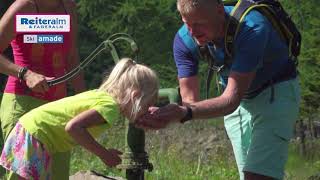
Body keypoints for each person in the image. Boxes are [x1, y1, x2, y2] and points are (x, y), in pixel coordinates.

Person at [137, 0, 300, 180]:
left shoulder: (252, 28)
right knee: (246, 175)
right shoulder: (184, 40)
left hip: (274, 92)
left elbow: (231, 100)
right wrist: (168, 116)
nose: (192, 32)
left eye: (199, 24)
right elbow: (190, 102)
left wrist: (184, 112)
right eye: (187, 23)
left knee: (258, 176)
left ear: (220, 11)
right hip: (237, 99)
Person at [0, 58, 159, 180]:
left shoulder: (102, 97)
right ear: (136, 96)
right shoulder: (110, 108)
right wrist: (104, 154)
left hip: (33, 133)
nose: (146, 110)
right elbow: (73, 127)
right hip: (35, 138)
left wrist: (105, 152)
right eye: (147, 105)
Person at [0, 0, 86, 179]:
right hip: (23, 104)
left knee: (58, 175)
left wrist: (84, 101)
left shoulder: (68, 7)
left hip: (58, 110)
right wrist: (25, 74)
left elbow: (71, 57)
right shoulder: (24, 7)